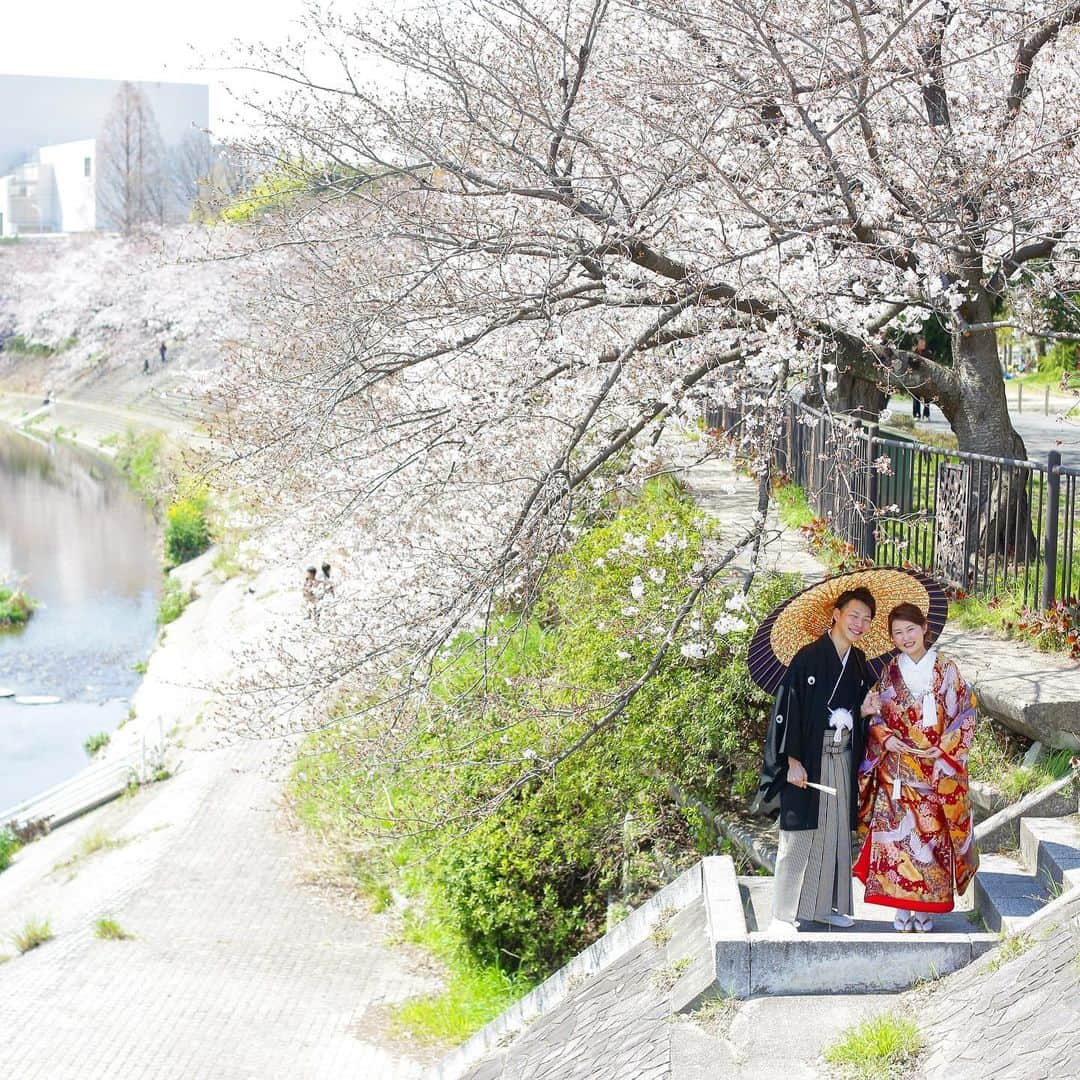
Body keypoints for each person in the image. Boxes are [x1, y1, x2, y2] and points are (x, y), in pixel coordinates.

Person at [854, 603, 978, 933]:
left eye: (911, 629)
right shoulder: (889, 672)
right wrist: (884, 736)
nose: (905, 637)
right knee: (896, 843)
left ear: (924, 628)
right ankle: (899, 906)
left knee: (931, 841)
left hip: (934, 770)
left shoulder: (946, 670)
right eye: (898, 633)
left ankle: (928, 907)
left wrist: (945, 749)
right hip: (896, 770)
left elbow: (965, 715)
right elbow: (876, 715)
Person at [766, 588, 880, 935]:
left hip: (842, 754)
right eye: (854, 615)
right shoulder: (808, 658)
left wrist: (862, 713)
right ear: (836, 613)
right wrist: (793, 760)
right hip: (810, 755)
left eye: (866, 619)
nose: (859, 624)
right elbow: (788, 709)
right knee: (800, 832)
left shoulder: (859, 662)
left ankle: (823, 908)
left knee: (834, 831)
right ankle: (782, 914)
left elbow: (860, 710)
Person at [910, 337, 932, 419]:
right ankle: (916, 414)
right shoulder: (912, 352)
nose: (923, 344)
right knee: (916, 397)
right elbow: (910, 364)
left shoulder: (928, 353)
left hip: (925, 377)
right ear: (916, 343)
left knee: (927, 397)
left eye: (924, 342)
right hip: (915, 378)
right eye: (921, 342)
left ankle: (926, 414)